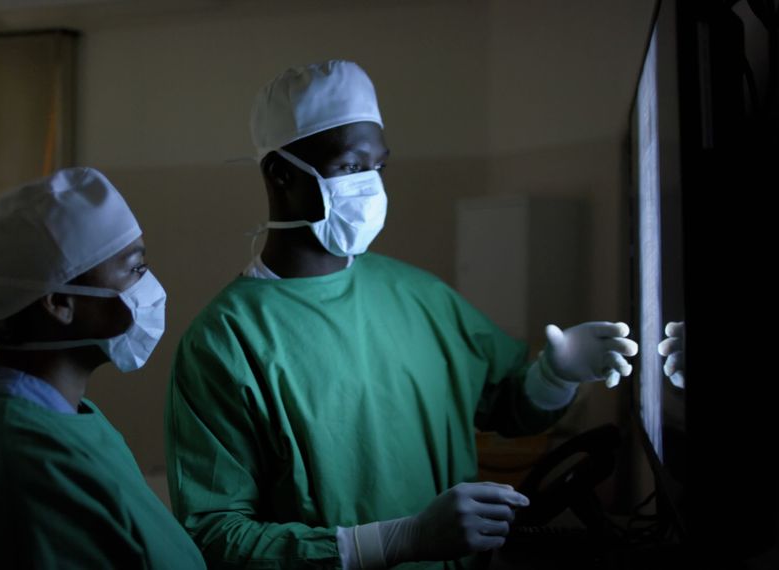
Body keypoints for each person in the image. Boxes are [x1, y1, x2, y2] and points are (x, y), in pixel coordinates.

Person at [165, 60, 639, 569]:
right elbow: (216, 534)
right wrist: (391, 543)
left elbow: (507, 408)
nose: (370, 185)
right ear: (281, 173)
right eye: (350, 167)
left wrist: (556, 374)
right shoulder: (226, 340)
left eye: (379, 166)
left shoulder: (420, 295)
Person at [0, 167, 205, 569]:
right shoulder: (21, 469)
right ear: (60, 303)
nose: (148, 287)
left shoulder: (65, 419)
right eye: (133, 269)